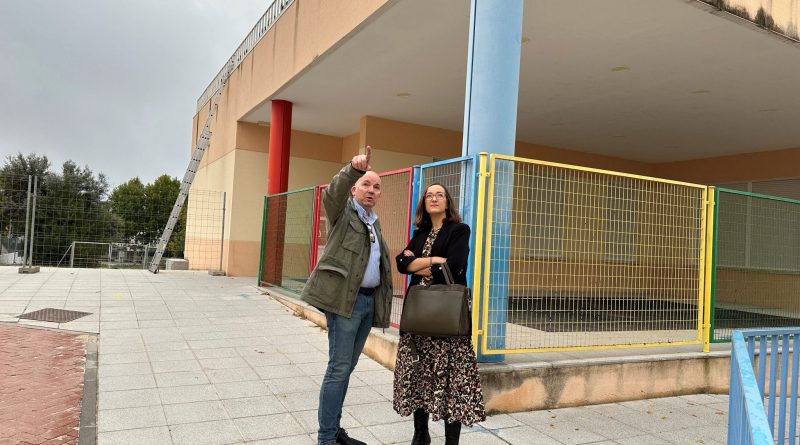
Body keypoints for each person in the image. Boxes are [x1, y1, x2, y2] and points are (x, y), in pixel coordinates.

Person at [301, 146, 393, 445]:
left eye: (376, 186)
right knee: (338, 369)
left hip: (367, 302)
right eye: (365, 184)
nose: (371, 190)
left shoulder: (373, 221)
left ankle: (335, 430)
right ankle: (326, 438)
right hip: (346, 304)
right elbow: (332, 194)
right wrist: (353, 168)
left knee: (346, 368)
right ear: (354, 189)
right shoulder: (343, 212)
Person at [393, 183, 486, 445]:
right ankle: (420, 435)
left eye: (440, 195)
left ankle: (451, 441)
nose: (434, 198)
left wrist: (417, 263)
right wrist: (435, 260)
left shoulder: (459, 230)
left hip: (446, 317)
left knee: (451, 381)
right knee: (419, 374)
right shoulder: (419, 232)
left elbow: (455, 266)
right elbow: (401, 264)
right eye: (429, 195)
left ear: (447, 202)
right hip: (419, 317)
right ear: (424, 202)